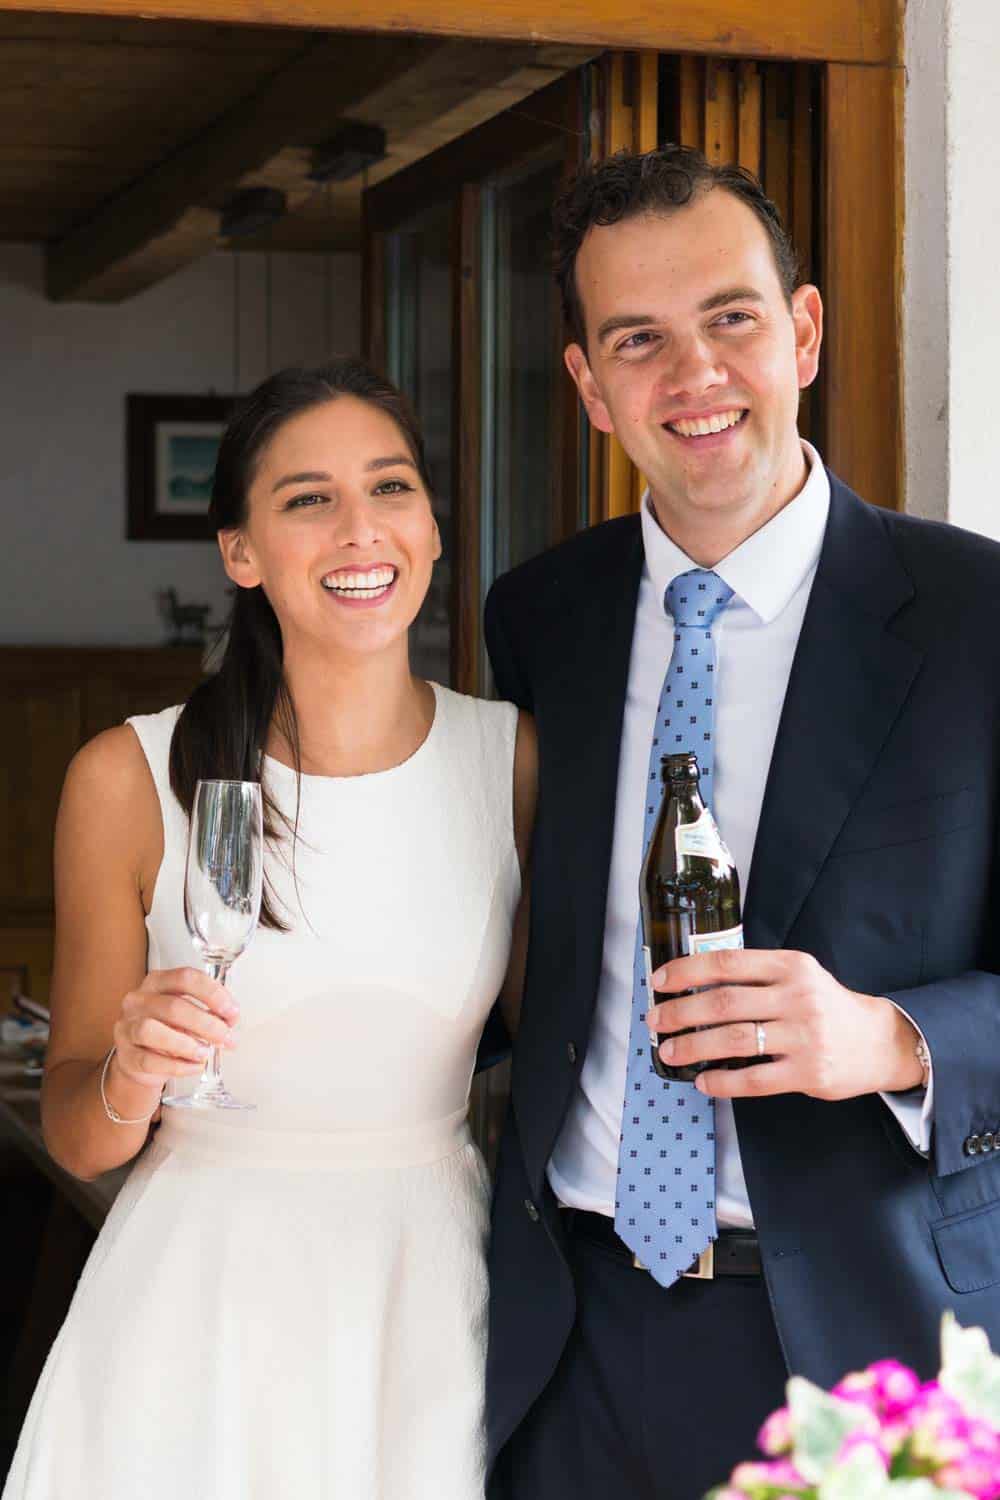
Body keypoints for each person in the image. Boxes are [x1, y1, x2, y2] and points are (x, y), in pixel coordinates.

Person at [483, 144, 1000, 1500]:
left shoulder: (979, 619)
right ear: (592, 387)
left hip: (878, 1344)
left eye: (732, 319)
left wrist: (892, 1037)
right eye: (638, 341)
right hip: (569, 1339)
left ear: (805, 331)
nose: (693, 374)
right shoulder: (540, 618)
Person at [4, 359, 536, 1500]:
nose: (361, 529)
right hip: (195, 1305)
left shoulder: (513, 763)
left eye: (391, 488)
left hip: (428, 1289)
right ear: (241, 553)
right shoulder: (130, 775)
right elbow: (79, 1136)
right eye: (308, 499)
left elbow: (563, 1046)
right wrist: (132, 1071)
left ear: (432, 528)